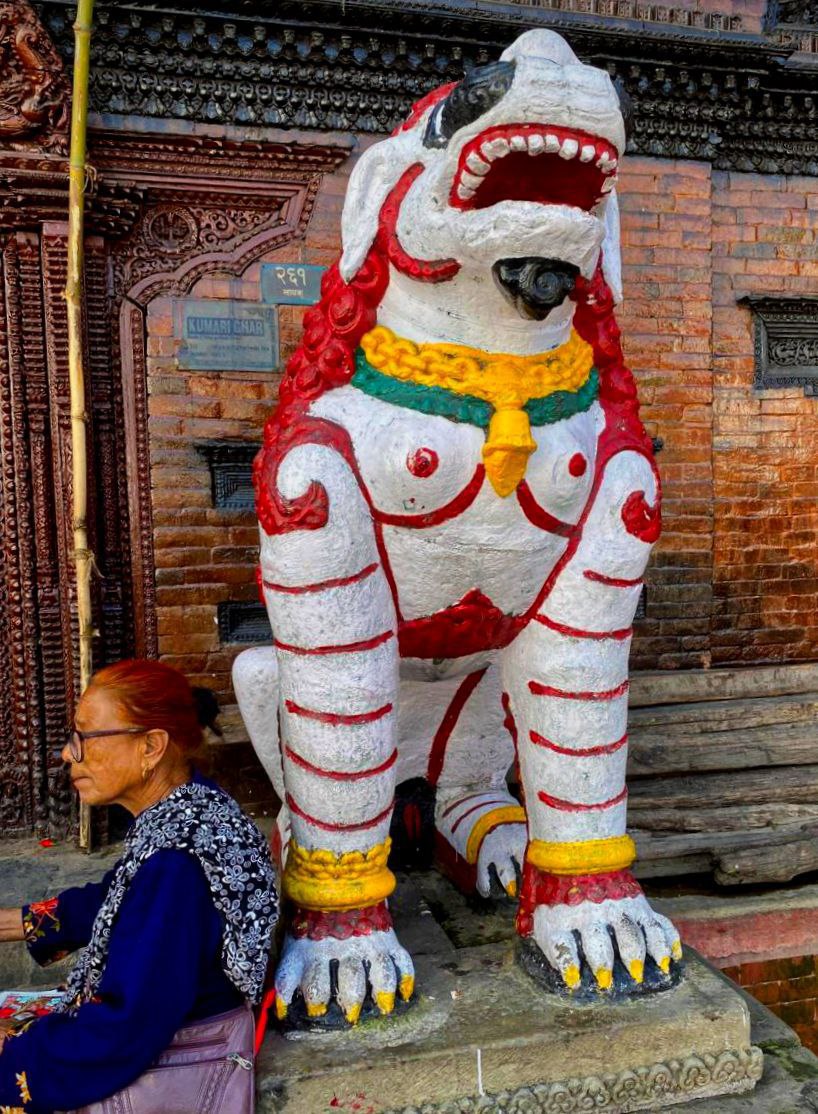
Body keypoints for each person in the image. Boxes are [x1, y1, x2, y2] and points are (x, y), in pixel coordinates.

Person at [0, 659, 278, 1114]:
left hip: (176, 1056)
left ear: (151, 746)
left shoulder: (176, 862)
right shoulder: (191, 811)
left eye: (84, 737)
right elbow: (118, 898)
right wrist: (13, 923)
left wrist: (14, 1052)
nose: (69, 755)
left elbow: (124, 1026)